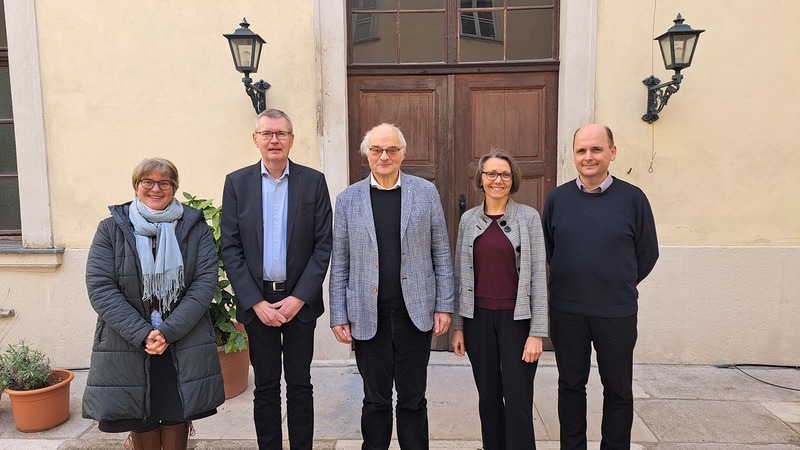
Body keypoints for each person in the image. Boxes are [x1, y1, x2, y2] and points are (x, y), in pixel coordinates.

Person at [83, 157, 225, 450]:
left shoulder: (195, 227)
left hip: (182, 339)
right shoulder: (110, 229)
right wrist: (143, 333)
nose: (156, 189)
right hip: (129, 341)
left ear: (174, 187)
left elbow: (203, 284)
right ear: (137, 185)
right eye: (148, 182)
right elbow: (101, 287)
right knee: (140, 416)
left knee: (176, 412)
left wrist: (167, 332)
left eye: (164, 183)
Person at [329, 123, 454, 450]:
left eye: (392, 149)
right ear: (367, 154)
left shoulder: (425, 193)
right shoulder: (348, 199)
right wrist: (338, 314)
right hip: (368, 316)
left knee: (413, 399)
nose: (384, 156)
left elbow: (441, 251)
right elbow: (340, 261)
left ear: (403, 153)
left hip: (415, 314)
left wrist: (444, 305)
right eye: (376, 150)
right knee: (375, 399)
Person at [220, 108, 333, 450]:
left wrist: (299, 298)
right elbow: (231, 247)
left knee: (300, 384)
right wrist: (256, 302)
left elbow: (323, 244)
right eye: (267, 133)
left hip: (299, 302)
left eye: (281, 133)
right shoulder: (237, 183)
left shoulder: (313, 181)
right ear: (255, 139)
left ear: (291, 139)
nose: (274, 140)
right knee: (266, 386)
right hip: (258, 304)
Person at [541, 124, 659, 450]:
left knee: (618, 390)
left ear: (612, 152)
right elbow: (550, 249)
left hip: (616, 312)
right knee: (570, 386)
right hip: (567, 311)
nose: (588, 156)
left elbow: (648, 252)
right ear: (574, 155)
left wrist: (617, 283)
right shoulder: (557, 199)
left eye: (596, 149)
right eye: (581, 150)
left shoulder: (633, 199)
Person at [451, 149, 548, 450]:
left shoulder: (528, 217)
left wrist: (537, 332)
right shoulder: (468, 220)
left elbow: (538, 276)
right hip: (478, 321)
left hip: (517, 321)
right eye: (491, 173)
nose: (498, 180)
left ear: (513, 179)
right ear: (481, 178)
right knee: (489, 399)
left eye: (505, 174)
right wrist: (458, 327)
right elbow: (460, 275)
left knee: (519, 401)